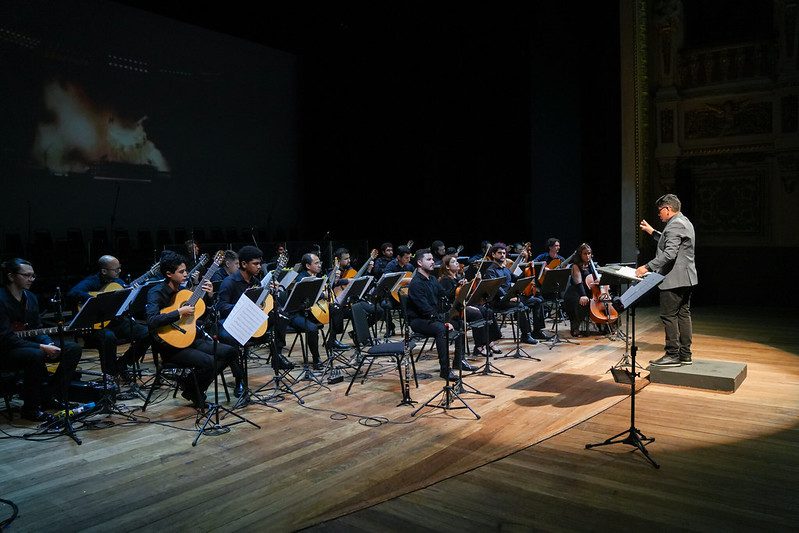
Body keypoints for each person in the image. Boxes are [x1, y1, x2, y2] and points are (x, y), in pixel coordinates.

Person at [145, 251, 239, 408]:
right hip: (170, 346)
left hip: (191, 338)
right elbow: (151, 321)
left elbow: (204, 316)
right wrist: (178, 312)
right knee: (209, 361)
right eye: (181, 272)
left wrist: (209, 297)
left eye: (185, 270)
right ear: (168, 274)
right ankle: (194, 391)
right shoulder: (156, 292)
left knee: (230, 352)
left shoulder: (186, 291)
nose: (186, 274)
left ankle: (190, 386)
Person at [0, 258, 82, 421]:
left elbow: (36, 327)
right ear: (11, 276)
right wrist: (41, 348)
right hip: (5, 350)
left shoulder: (30, 297)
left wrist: (47, 342)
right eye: (27, 275)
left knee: (72, 348)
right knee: (35, 355)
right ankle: (30, 409)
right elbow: (5, 337)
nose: (31, 279)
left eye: (33, 276)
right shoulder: (1, 299)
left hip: (25, 345)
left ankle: (50, 396)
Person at [636, 193, 698, 366]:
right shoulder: (684, 221)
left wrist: (646, 267)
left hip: (673, 279)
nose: (659, 214)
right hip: (687, 278)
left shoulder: (674, 225)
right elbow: (670, 240)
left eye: (660, 211)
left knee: (668, 316)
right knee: (684, 314)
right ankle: (685, 354)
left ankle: (672, 354)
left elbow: (669, 253)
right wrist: (652, 232)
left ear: (668, 209)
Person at [67, 255, 151, 379]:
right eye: (116, 269)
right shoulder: (92, 281)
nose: (119, 271)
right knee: (108, 337)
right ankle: (110, 375)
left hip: (115, 321)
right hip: (94, 326)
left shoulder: (118, 282)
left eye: (120, 268)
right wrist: (99, 298)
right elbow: (72, 293)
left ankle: (123, 363)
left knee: (147, 333)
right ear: (104, 271)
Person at [406, 249, 478, 380]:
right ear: (419, 263)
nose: (433, 262)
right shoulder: (416, 284)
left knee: (460, 324)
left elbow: (444, 296)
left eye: (433, 259)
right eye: (429, 259)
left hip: (433, 317)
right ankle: (445, 370)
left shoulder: (432, 279)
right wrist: (443, 321)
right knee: (441, 329)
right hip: (419, 320)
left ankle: (459, 361)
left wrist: (458, 286)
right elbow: (425, 309)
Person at [483, 242, 548, 344]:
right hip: (498, 301)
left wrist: (527, 269)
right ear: (493, 255)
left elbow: (517, 279)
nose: (503, 255)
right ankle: (526, 335)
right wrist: (508, 297)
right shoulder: (490, 271)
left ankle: (537, 331)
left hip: (509, 298)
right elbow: (496, 288)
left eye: (504, 253)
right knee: (520, 305)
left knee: (537, 301)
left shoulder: (505, 269)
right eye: (500, 253)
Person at [438, 254, 501, 356]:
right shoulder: (445, 280)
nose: (457, 263)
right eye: (453, 262)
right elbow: (446, 296)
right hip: (452, 310)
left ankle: (489, 341)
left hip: (462, 305)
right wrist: (458, 286)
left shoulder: (458, 277)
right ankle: (479, 345)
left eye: (456, 261)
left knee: (487, 311)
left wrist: (475, 282)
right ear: (447, 267)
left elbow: (466, 296)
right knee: (476, 313)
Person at [562, 243, 593, 337]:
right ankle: (575, 327)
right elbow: (578, 282)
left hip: (587, 290)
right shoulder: (576, 266)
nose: (588, 256)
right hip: (575, 292)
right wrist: (583, 295)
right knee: (582, 302)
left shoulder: (592, 265)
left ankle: (604, 325)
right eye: (585, 254)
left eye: (589, 253)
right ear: (580, 254)